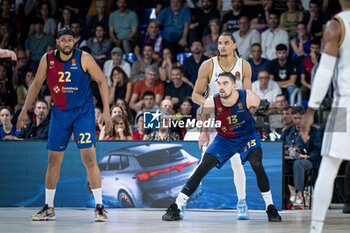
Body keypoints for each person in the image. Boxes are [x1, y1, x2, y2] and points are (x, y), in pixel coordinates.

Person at [17, 27, 112, 222]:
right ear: (58, 43)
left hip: (82, 113)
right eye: (63, 40)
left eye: (70, 40)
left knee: (89, 158)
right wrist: (24, 110)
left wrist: (107, 111)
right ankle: (48, 207)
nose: (67, 43)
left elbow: (102, 81)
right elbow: (36, 84)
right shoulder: (47, 59)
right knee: (53, 160)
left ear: (74, 42)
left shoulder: (84, 58)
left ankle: (99, 206)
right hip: (60, 113)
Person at [162, 72, 281, 222]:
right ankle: (176, 206)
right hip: (225, 138)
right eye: (219, 84)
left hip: (247, 136)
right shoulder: (213, 101)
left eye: (225, 83)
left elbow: (257, 108)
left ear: (234, 86)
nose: (221, 87)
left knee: (257, 164)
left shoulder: (249, 96)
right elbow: (205, 114)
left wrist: (247, 115)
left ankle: (270, 207)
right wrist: (204, 132)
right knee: (203, 166)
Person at [300, 1, 350, 232]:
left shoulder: (336, 26)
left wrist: (311, 110)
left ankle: (316, 229)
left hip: (344, 107)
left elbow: (325, 72)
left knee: (330, 166)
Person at [191, 32, 252, 219]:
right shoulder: (208, 65)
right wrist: (211, 105)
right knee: (203, 162)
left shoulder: (244, 66)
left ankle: (242, 203)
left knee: (237, 163)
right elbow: (195, 95)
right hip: (213, 117)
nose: (222, 46)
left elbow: (248, 95)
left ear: (234, 45)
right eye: (219, 43)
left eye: (226, 43)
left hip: (234, 120)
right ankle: (182, 200)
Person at [281, 106, 321, 209]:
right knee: (279, 166)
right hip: (289, 160)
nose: (298, 121)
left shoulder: (314, 131)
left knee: (298, 163)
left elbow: (317, 149)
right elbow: (280, 147)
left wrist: (306, 156)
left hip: (307, 161)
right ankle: (284, 197)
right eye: (295, 118)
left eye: (300, 118)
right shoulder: (286, 132)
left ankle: (299, 196)